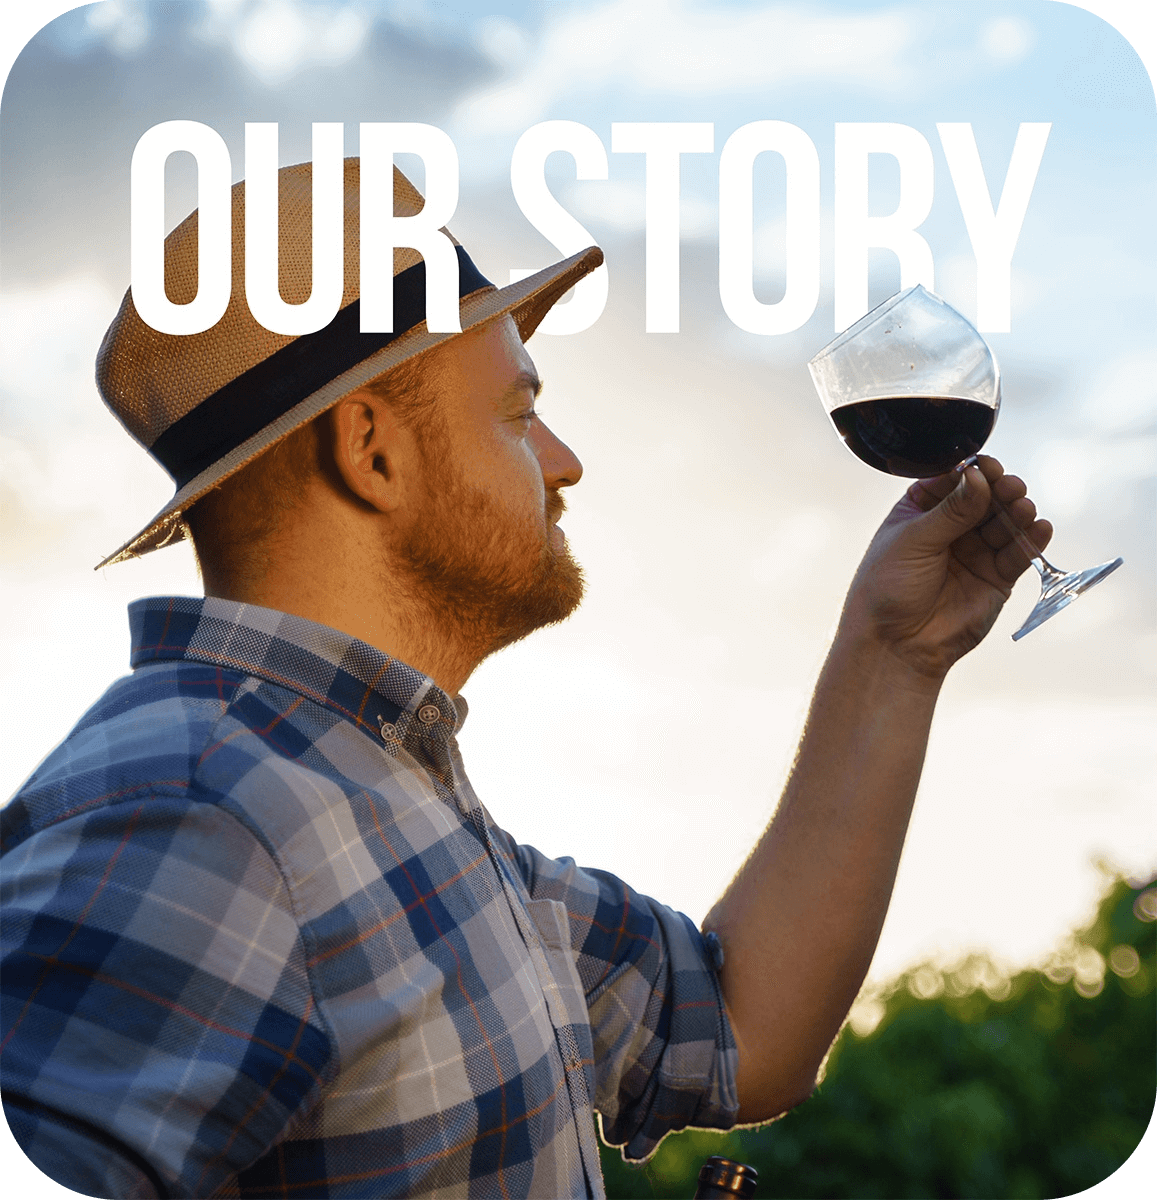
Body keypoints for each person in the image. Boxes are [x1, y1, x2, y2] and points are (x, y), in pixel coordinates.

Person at [0, 159, 1051, 1199]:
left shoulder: (387, 800)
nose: (563, 459)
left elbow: (741, 1030)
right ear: (372, 450)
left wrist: (892, 655)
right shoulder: (195, 817)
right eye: (516, 413)